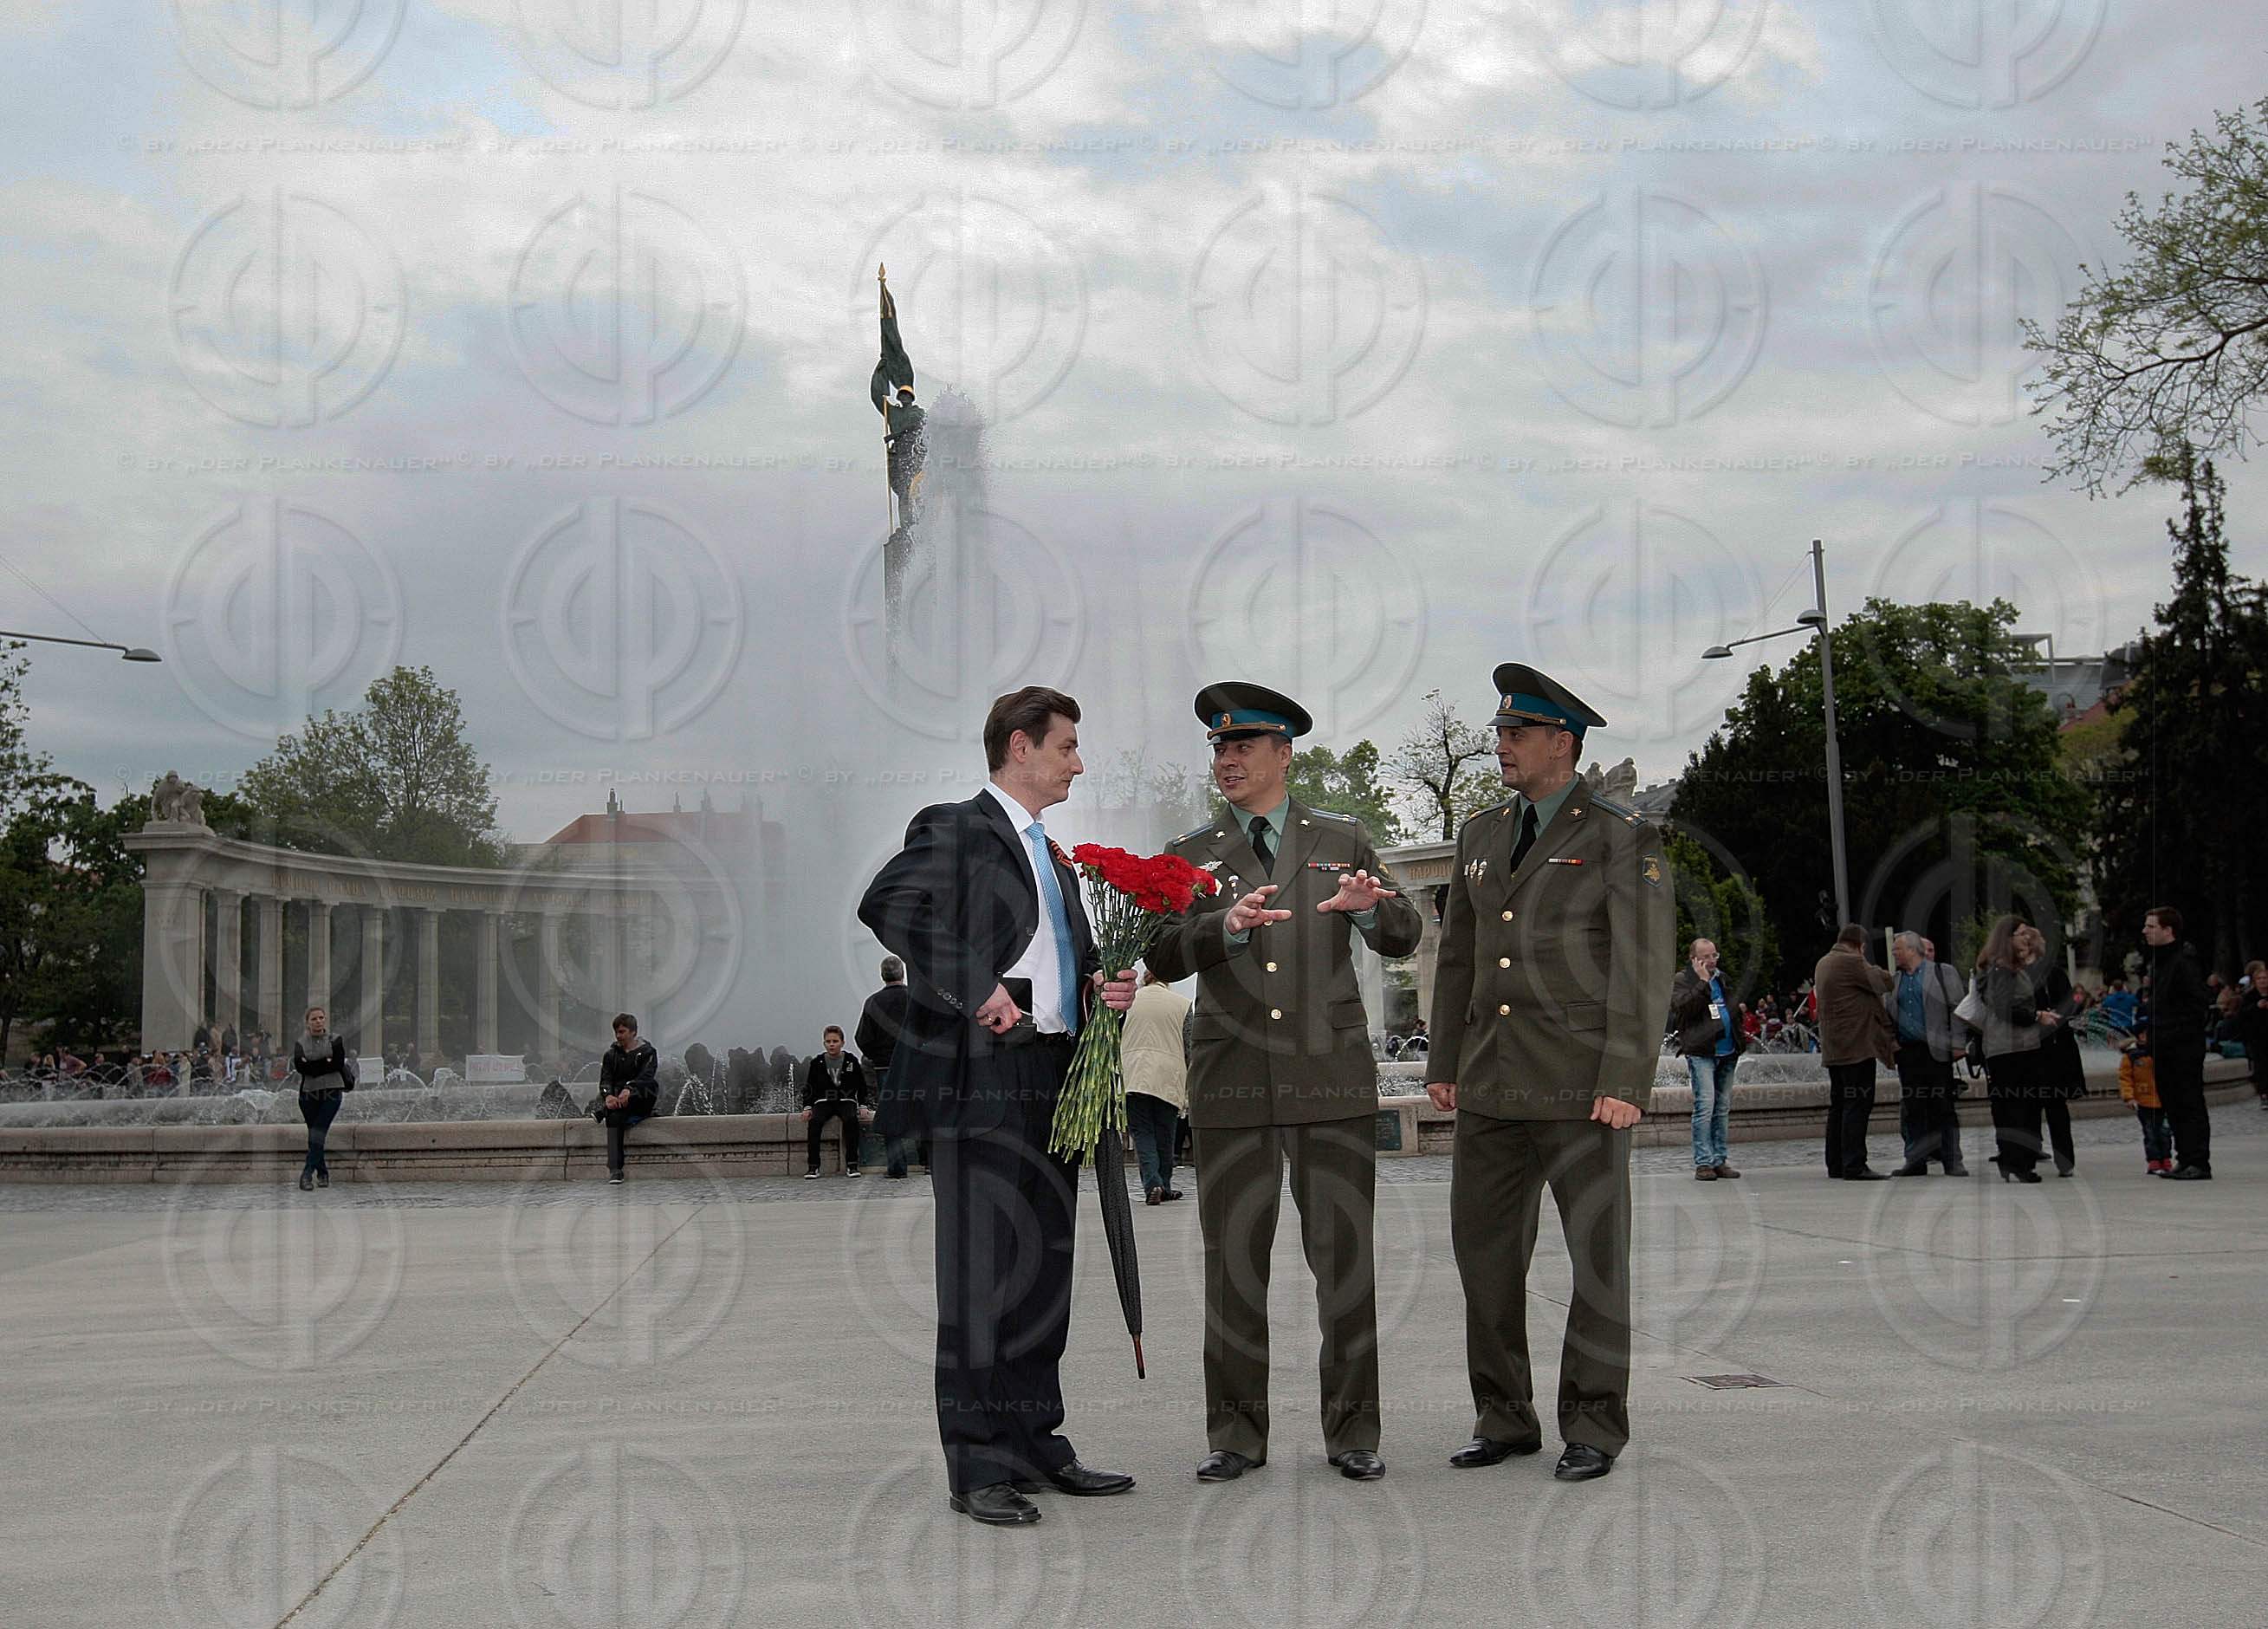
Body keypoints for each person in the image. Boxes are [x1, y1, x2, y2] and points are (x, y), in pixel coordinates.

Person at [857, 685, 1139, 1528]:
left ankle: (1035, 1442)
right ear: (1021, 747)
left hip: (1055, 1076)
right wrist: (973, 984)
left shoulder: (1055, 858)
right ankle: (977, 1462)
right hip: (981, 1081)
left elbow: (1062, 962)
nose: (1078, 763)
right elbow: (888, 905)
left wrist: (1102, 986)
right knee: (981, 1277)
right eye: (1066, 746)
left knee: (1043, 1272)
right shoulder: (955, 827)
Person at [1145, 682, 1423, 1484]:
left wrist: (1367, 911)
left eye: (1242, 746)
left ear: (1283, 755)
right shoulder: (1189, 853)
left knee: (1345, 1263)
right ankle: (1235, 1435)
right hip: (1231, 1079)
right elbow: (1159, 951)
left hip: (1328, 1079)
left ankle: (1354, 1431)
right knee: (1234, 1266)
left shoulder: (1342, 837)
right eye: (1219, 748)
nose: (1226, 760)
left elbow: (1404, 932)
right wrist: (1222, 929)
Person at [1423, 663, 1674, 1485]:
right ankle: (1503, 1417)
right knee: (1485, 1262)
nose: (1501, 745)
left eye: (1516, 733)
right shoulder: (1480, 833)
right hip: (1491, 1084)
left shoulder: (1618, 833)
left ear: (1561, 742)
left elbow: (1643, 965)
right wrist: (1445, 1062)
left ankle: (1594, 1424)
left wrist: (1625, 1080)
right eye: (1500, 732)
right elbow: (1459, 956)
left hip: (1580, 1086)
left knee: (1597, 1263)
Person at [1973, 917, 2055, 1182]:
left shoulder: (2001, 968)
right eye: (2020, 933)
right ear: (2007, 938)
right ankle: (2019, 1161)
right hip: (2013, 1046)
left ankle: (2013, 1159)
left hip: (2007, 1046)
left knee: (2014, 1105)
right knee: (2020, 1106)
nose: (2025, 937)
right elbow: (2005, 1008)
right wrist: (2037, 1016)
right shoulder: (2002, 969)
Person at [1814, 924, 1895, 1179]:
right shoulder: (1850, 961)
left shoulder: (1824, 962)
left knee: (1839, 1105)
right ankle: (1854, 1164)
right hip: (1856, 1047)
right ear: (1860, 946)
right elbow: (1885, 982)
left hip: (1834, 1049)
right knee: (1858, 1104)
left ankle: (1836, 1163)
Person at [1884, 931, 1970, 1176]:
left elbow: (1957, 1009)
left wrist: (1958, 1044)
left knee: (1943, 1106)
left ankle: (1952, 1160)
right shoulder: (1895, 980)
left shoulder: (1943, 973)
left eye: (1897, 949)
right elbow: (1887, 1015)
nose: (1894, 953)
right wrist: (1892, 1043)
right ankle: (1916, 1160)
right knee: (1913, 1109)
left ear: (1912, 950)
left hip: (1937, 1051)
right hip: (1907, 1052)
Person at [2141, 906, 2213, 1179]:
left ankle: (2198, 1161)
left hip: (2182, 1046)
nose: (2145, 931)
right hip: (2165, 1045)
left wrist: (2171, 1032)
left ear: (2168, 930)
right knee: (2172, 1103)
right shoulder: (2161, 961)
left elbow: (2197, 1004)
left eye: (2151, 926)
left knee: (2189, 1102)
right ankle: (2185, 1157)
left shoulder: (2184, 960)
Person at [1667, 938, 1745, 1181]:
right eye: (1706, 957)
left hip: (1728, 1051)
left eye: (1714, 956)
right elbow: (1682, 1009)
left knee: (1722, 1108)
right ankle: (1703, 1162)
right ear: (1694, 960)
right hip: (1702, 1052)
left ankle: (1719, 1159)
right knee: (1705, 1105)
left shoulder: (1722, 978)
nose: (1712, 961)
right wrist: (1702, 983)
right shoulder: (1682, 980)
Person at [2020, 926, 2087, 1177]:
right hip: (2027, 1047)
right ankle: (2029, 1158)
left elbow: (2071, 1004)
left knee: (2055, 1106)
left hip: (2053, 1047)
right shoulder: (2013, 974)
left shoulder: (2053, 973)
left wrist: (2054, 1015)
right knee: (2029, 1107)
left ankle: (2064, 1160)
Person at [1119, 970, 1189, 1204]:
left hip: (1134, 1072)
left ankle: (1153, 1184)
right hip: (1169, 1074)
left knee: (1142, 1132)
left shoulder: (1129, 1002)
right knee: (1166, 1133)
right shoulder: (1182, 1004)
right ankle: (1165, 1185)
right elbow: (1189, 1044)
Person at [857, 957, 923, 1178]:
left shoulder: (873, 1002)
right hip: (916, 1065)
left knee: (891, 1115)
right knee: (922, 1110)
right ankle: (928, 1163)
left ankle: (897, 1168)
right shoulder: (916, 999)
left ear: (882, 975)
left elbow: (863, 1038)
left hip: (886, 1067)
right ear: (902, 973)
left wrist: (878, 1057)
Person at [289, 1006, 355, 1191]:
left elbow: (337, 1063)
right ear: (307, 1023)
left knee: (318, 1132)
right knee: (314, 1135)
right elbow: (301, 1067)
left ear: (325, 1020)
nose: (318, 1021)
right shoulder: (300, 1043)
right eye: (314, 1019)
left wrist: (313, 1066)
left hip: (332, 1092)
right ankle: (323, 1173)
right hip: (308, 1094)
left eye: (321, 1018)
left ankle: (307, 1174)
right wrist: (325, 1062)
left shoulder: (335, 1039)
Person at [800, 1025, 872, 1178]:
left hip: (846, 1100)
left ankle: (852, 1164)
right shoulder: (817, 1062)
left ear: (842, 1042)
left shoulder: (851, 1060)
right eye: (828, 1042)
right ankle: (813, 1167)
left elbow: (861, 1085)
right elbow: (809, 1086)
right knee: (815, 1123)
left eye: (835, 1041)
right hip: (824, 1101)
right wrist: (807, 1107)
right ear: (824, 1043)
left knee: (851, 1120)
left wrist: (863, 1105)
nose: (831, 1045)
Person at [596, 1014, 658, 1184]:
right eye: (616, 1032)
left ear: (633, 1032)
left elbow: (646, 1076)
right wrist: (608, 1095)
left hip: (640, 1099)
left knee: (651, 1085)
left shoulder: (648, 1052)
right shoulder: (610, 1055)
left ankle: (604, 1111)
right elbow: (605, 1080)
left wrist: (629, 1089)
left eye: (622, 1032)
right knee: (614, 1119)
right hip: (619, 1103)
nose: (618, 1036)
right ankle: (615, 1170)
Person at [2239, 962, 2268, 1108]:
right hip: (2257, 1037)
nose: (2262, 981)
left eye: (2265, 978)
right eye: (2259, 979)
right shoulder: (2250, 997)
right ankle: (2264, 1094)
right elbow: (2242, 1015)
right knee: (2261, 1065)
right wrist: (2256, 1007)